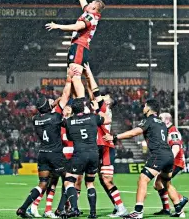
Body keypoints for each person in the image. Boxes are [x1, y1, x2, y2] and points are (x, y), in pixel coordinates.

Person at [104, 99, 188, 219]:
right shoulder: (162, 123)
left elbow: (134, 132)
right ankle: (180, 211)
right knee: (167, 183)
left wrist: (115, 136)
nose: (143, 108)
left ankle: (138, 211)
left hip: (158, 155)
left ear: (149, 109)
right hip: (168, 156)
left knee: (143, 179)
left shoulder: (148, 120)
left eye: (144, 106)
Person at [16, 70, 73, 218]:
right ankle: (61, 209)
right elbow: (65, 96)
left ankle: (23, 208)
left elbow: (48, 108)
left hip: (43, 154)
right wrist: (69, 79)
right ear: (48, 107)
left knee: (42, 183)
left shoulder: (36, 119)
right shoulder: (55, 117)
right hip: (55, 154)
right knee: (69, 179)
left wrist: (52, 103)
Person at [45, 0, 105, 99]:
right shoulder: (89, 13)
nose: (88, 4)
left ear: (94, 8)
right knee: (71, 76)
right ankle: (74, 104)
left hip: (79, 47)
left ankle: (81, 104)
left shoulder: (90, 18)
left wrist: (57, 26)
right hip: (77, 47)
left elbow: (77, 27)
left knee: (75, 76)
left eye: (91, 3)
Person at [84, 63, 128, 217]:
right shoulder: (99, 108)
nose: (101, 97)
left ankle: (121, 208)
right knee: (103, 180)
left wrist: (89, 72)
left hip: (105, 147)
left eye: (104, 97)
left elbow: (95, 92)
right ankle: (118, 206)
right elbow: (92, 93)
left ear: (107, 102)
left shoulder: (103, 108)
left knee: (106, 179)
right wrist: (86, 79)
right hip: (100, 146)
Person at [59, 97, 111, 218]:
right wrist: (97, 110)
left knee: (69, 182)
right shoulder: (93, 117)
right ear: (84, 108)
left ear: (73, 109)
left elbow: (70, 138)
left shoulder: (69, 121)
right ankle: (93, 213)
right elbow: (108, 119)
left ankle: (74, 208)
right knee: (90, 183)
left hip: (79, 155)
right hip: (94, 154)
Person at [153, 112, 187, 216]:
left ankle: (180, 200)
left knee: (163, 182)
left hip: (176, 162)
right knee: (158, 183)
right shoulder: (166, 130)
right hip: (171, 161)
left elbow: (176, 148)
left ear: (167, 120)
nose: (159, 120)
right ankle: (168, 208)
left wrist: (166, 161)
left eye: (160, 118)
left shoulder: (172, 130)